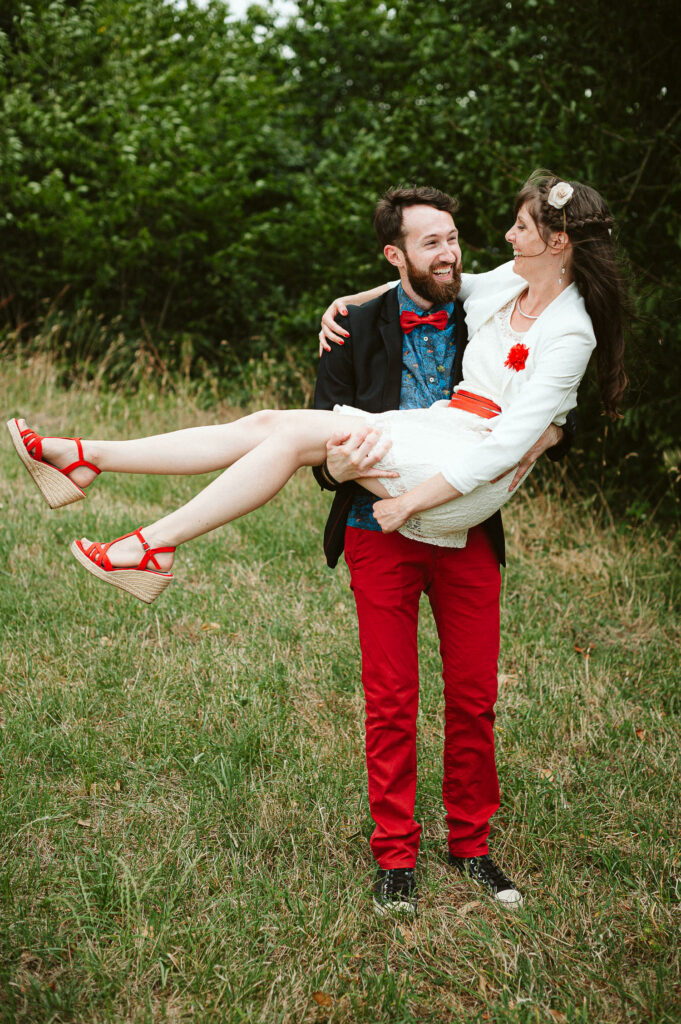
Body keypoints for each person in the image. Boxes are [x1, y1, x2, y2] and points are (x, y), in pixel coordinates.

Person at [8, 173, 626, 911]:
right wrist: (348, 352)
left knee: (472, 698)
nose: (474, 246)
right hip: (398, 492)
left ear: (555, 241)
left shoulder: (533, 311)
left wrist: (424, 497)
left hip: (460, 487)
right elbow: (323, 456)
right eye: (433, 241)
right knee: (283, 434)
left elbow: (535, 425)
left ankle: (472, 848)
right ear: (394, 256)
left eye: (504, 230)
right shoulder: (377, 318)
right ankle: (394, 856)